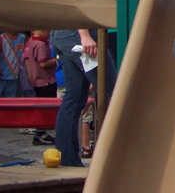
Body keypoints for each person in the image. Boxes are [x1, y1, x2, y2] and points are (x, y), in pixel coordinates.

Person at [51, 29, 117, 166]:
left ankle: (67, 159)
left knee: (74, 97)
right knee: (113, 93)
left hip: (61, 34)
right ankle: (114, 159)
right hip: (79, 34)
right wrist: (84, 34)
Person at [24, 29, 57, 145]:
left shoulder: (31, 42)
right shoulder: (41, 44)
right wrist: (56, 60)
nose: (50, 34)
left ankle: (41, 132)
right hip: (45, 80)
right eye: (49, 31)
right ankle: (40, 133)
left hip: (36, 80)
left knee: (42, 107)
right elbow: (42, 63)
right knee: (45, 108)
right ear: (43, 31)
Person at [0, 31, 25, 98]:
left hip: (14, 73)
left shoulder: (22, 37)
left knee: (11, 96)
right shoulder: (2, 38)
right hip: (1, 71)